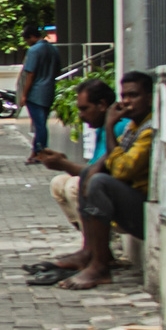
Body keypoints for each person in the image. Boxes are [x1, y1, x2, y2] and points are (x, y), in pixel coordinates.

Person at [47, 71, 156, 292]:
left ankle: (100, 266)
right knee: (90, 177)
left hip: (145, 210)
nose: (126, 101)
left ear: (151, 98)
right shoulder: (132, 127)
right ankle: (90, 252)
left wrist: (108, 126)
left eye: (133, 95)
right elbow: (106, 163)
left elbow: (123, 170)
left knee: (98, 182)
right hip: (131, 202)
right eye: (124, 95)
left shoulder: (148, 130)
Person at [31, 80, 124, 247]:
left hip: (120, 191)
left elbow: (99, 172)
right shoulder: (103, 126)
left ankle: (98, 250)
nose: (81, 115)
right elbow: (95, 167)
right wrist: (63, 161)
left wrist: (64, 164)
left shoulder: (118, 126)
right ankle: (90, 244)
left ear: (102, 105)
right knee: (59, 183)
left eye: (84, 108)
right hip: (106, 184)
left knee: (74, 186)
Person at [18, 22, 63, 161]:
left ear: (31, 36)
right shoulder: (53, 49)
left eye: (27, 40)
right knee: (41, 123)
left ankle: (40, 152)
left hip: (36, 92)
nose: (27, 43)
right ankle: (36, 151)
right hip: (49, 90)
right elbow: (57, 70)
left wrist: (24, 94)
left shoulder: (34, 50)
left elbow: (30, 74)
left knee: (39, 125)